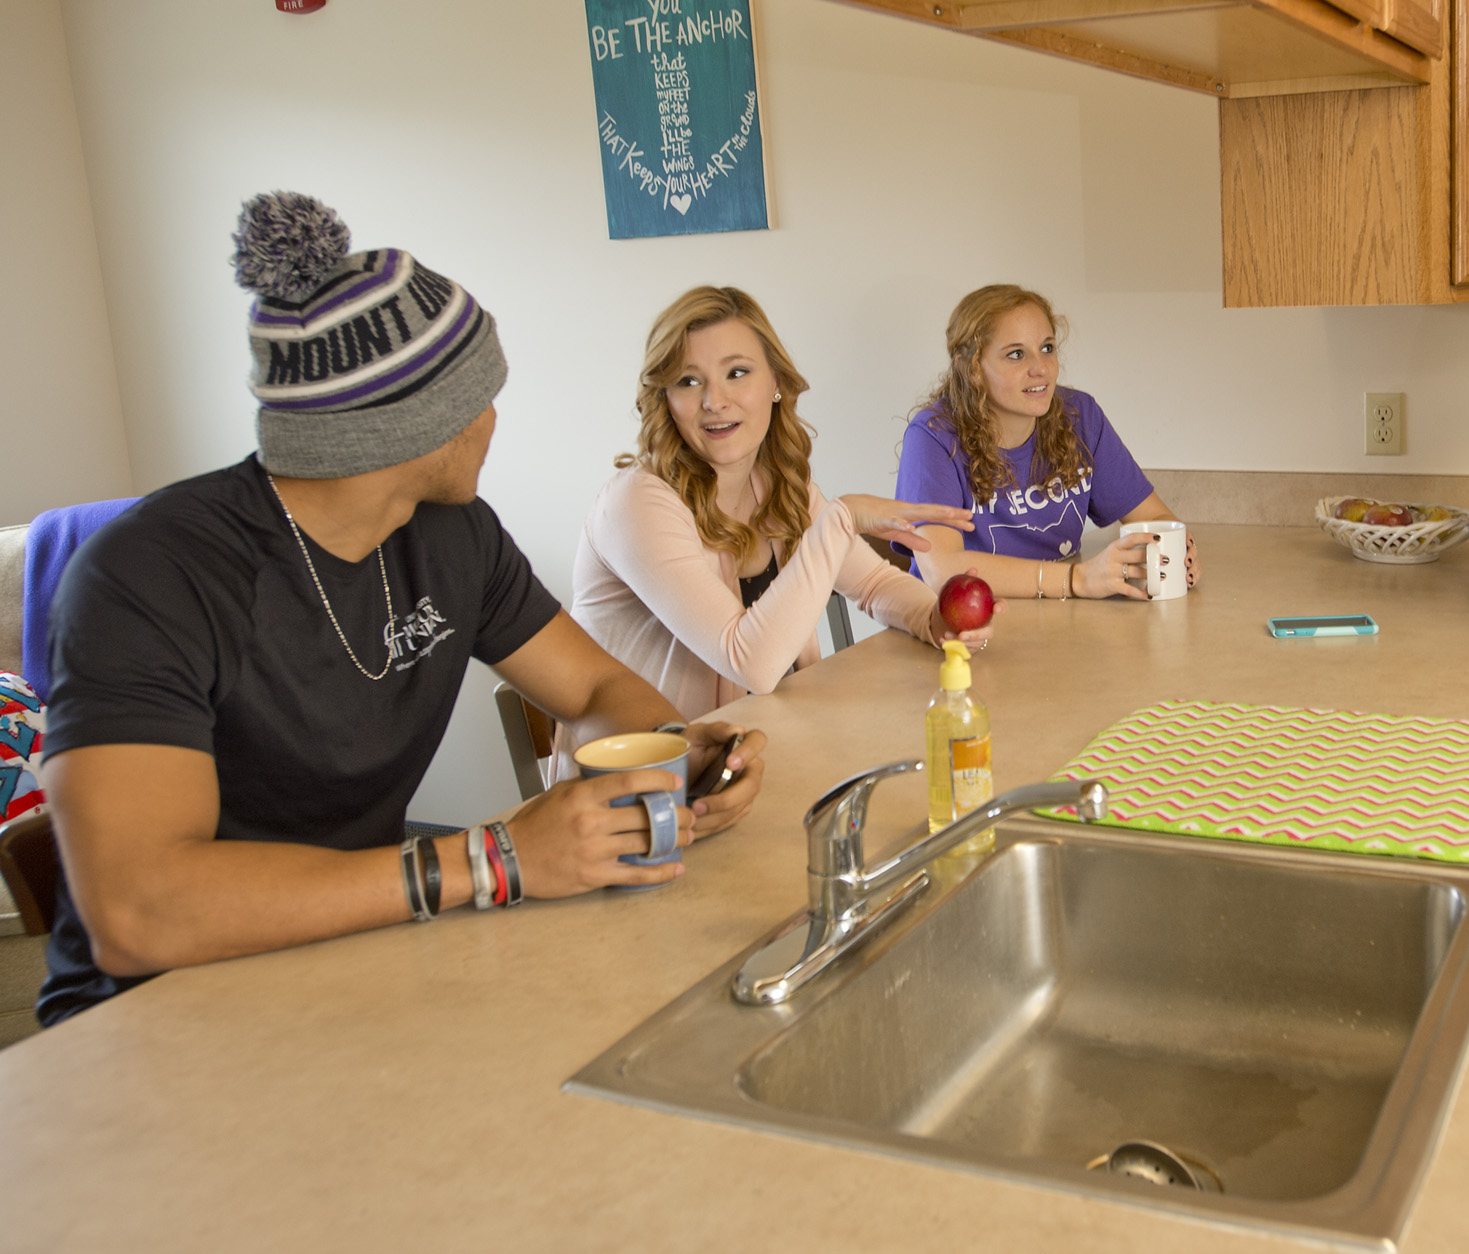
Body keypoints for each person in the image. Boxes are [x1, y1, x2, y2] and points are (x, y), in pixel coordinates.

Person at [36, 194, 765, 1027]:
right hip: (153, 1018)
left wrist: (675, 760)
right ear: (409, 428)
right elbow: (139, 914)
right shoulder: (148, 576)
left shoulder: (455, 535)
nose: (494, 419)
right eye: (479, 399)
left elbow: (598, 692)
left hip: (359, 956)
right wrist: (492, 861)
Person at [569, 286, 992, 730]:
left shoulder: (776, 484)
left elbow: (870, 581)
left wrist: (935, 618)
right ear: (665, 399)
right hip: (646, 783)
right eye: (688, 381)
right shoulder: (637, 503)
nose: (715, 401)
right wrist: (841, 518)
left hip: (761, 749)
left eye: (737, 372)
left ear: (775, 382)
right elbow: (749, 662)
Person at [896, 284, 1200, 602]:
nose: (1040, 368)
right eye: (1016, 354)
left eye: (1047, 348)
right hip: (959, 628)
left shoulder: (1080, 416)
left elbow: (1154, 520)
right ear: (969, 369)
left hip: (1056, 619)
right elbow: (943, 569)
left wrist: (1178, 554)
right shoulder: (933, 436)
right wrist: (1076, 580)